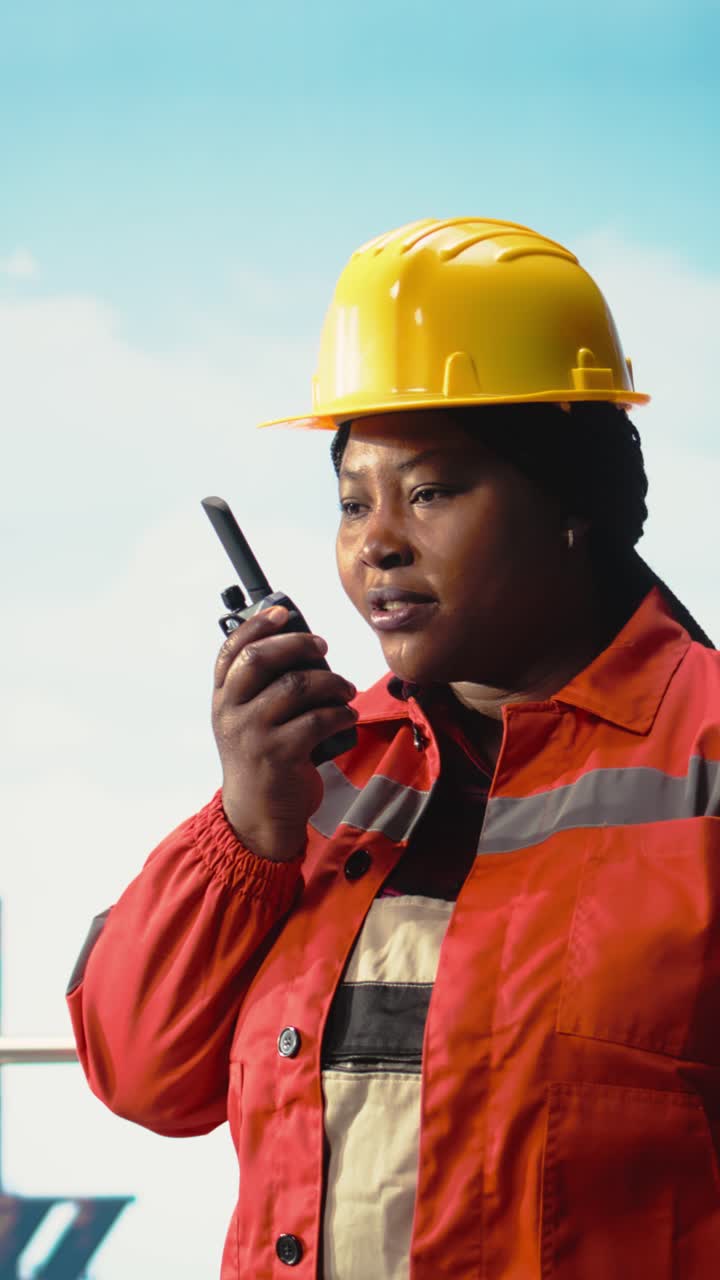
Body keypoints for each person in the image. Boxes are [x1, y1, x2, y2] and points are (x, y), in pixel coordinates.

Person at [67, 218, 720, 1279]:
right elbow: (144, 1076)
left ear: (573, 504)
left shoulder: (705, 757)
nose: (377, 542)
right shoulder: (316, 774)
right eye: (352, 499)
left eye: (433, 490)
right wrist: (247, 827)